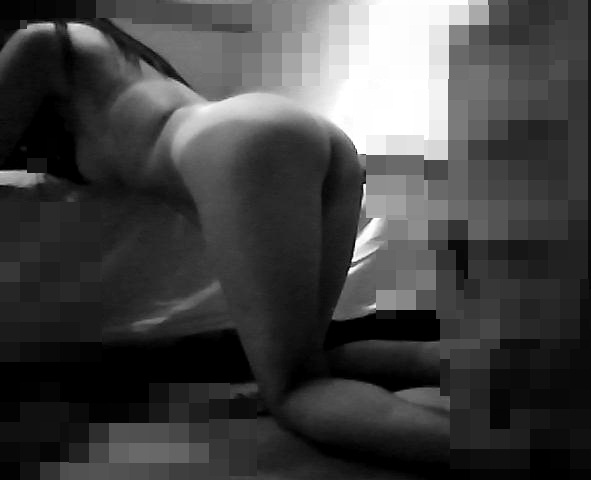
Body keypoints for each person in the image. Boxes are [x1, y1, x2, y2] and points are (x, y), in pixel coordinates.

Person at [0, 18, 448, 466]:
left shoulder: (40, 41)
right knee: (316, 356)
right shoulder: (115, 61)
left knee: (297, 390)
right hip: (299, 133)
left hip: (242, 143)